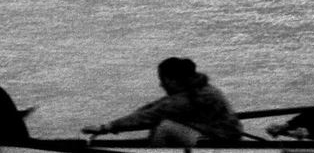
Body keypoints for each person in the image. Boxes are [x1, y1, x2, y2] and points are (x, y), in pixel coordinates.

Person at [81, 57, 242, 146]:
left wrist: (106, 127)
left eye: (162, 80)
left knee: (164, 127)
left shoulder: (188, 98)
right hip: (216, 134)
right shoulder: (196, 87)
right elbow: (153, 108)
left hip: (221, 142)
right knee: (163, 124)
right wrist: (132, 117)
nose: (161, 84)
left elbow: (151, 115)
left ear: (171, 80)